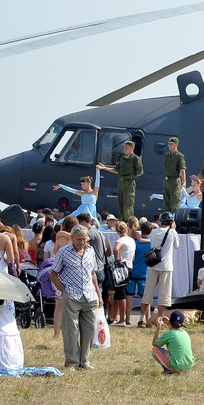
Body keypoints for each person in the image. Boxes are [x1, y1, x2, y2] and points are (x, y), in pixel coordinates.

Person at [52, 226, 104, 369]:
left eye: (84, 239)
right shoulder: (63, 252)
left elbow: (92, 273)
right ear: (72, 239)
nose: (82, 242)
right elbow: (53, 273)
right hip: (72, 295)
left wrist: (99, 294)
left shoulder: (90, 251)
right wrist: (64, 290)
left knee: (90, 329)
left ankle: (85, 361)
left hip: (90, 295)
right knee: (71, 330)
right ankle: (72, 362)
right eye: (78, 239)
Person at [97, 139, 144, 221]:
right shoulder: (123, 158)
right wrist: (104, 168)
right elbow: (116, 170)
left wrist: (129, 177)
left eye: (127, 148)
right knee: (121, 203)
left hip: (129, 184)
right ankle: (123, 219)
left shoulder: (135, 159)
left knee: (128, 204)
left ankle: (129, 221)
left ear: (132, 149)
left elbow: (140, 172)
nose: (125, 149)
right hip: (121, 184)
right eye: (124, 147)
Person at [151, 310, 195, 374]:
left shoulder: (169, 333)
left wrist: (159, 327)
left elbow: (154, 343)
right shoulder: (185, 333)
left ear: (170, 321)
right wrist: (170, 324)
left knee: (155, 350)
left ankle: (170, 370)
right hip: (189, 365)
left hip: (177, 365)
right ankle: (182, 370)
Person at [160, 137, 187, 213]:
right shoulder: (166, 155)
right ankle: (167, 218)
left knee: (174, 201)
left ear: (176, 145)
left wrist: (184, 181)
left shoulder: (179, 156)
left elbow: (182, 169)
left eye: (171, 144)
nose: (169, 145)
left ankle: (174, 220)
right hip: (166, 180)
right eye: (169, 144)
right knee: (166, 201)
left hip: (174, 180)